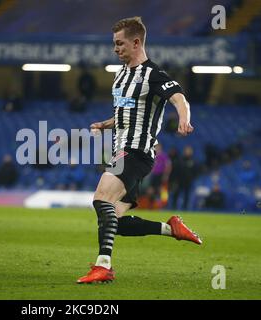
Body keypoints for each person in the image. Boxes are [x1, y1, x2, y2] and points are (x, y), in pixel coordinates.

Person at [77, 17, 202, 285]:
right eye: (114, 44)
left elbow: (179, 98)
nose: (115, 49)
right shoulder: (121, 75)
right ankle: (172, 229)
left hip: (136, 151)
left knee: (101, 200)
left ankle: (103, 266)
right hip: (121, 150)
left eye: (119, 43)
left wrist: (183, 117)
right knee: (115, 223)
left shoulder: (152, 74)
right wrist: (107, 123)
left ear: (136, 43)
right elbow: (125, 112)